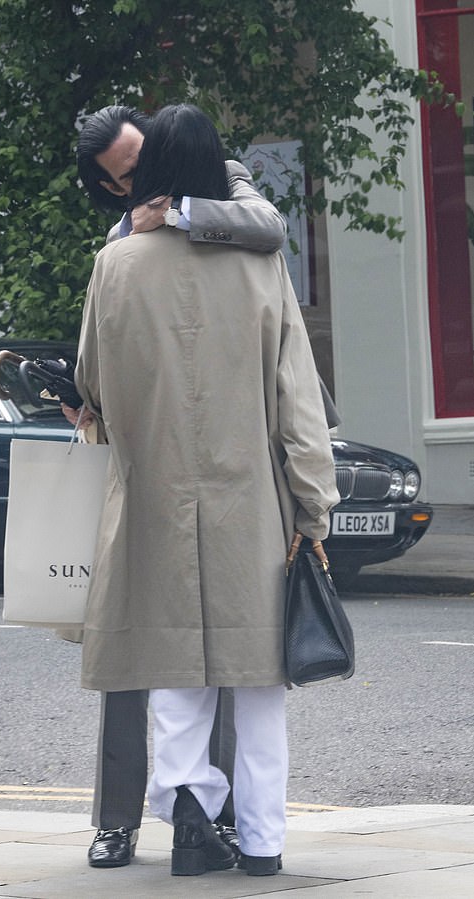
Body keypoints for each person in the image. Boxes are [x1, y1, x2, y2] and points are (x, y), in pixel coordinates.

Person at [73, 104, 340, 878]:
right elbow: (298, 400)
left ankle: (188, 815)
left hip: (153, 496)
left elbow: (94, 381)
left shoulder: (115, 263)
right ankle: (259, 842)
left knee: (176, 673)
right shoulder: (259, 263)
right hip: (250, 498)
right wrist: (313, 504)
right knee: (261, 684)